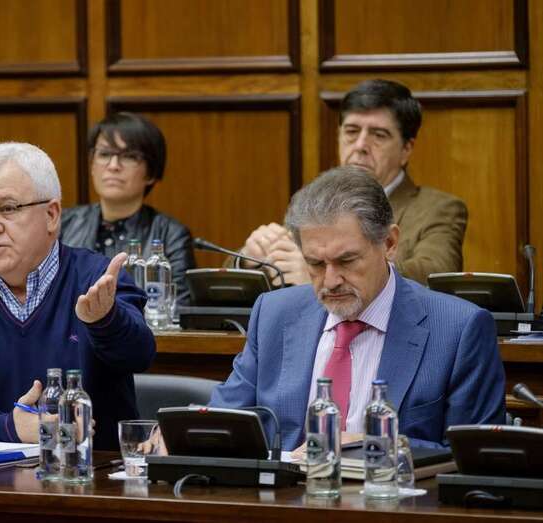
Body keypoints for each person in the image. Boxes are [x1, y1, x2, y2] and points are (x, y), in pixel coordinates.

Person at [210, 166, 504, 449]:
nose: (330, 280)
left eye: (347, 261)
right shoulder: (274, 314)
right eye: (314, 263)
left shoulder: (458, 329)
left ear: (389, 243)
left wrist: (365, 446)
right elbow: (222, 421)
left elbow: (473, 459)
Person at [0, 142, 156, 451]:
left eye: (7, 209)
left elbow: (140, 355)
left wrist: (106, 320)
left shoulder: (97, 278)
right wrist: (11, 427)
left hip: (92, 480)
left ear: (51, 215)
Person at [236, 79, 467, 286]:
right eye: (352, 131)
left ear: (407, 149)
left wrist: (317, 271)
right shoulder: (315, 199)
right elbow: (269, 266)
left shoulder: (439, 208)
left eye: (378, 135)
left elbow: (435, 274)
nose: (360, 145)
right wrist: (250, 258)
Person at [60, 112, 195, 304]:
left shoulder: (171, 235)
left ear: (151, 172)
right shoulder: (62, 224)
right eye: (104, 154)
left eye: (129, 156)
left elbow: (178, 309)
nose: (113, 166)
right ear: (91, 165)